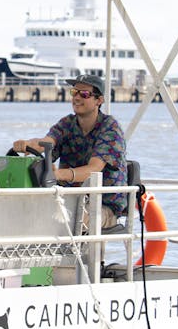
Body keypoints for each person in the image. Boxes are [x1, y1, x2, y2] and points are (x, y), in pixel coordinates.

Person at [12, 74, 128, 228]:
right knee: (28, 210)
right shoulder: (67, 123)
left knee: (77, 218)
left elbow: (94, 169)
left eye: (84, 94)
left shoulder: (110, 128)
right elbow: (46, 143)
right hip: (69, 200)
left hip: (103, 206)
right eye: (74, 92)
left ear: (99, 101)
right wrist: (28, 144)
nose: (77, 98)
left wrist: (59, 175)